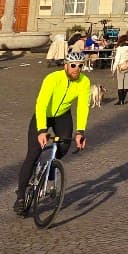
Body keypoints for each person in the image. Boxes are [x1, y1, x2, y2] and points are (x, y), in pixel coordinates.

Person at [13, 50, 90, 215]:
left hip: (62, 115)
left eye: (80, 66)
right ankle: (20, 196)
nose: (77, 69)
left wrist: (80, 131)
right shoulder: (52, 78)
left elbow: (83, 107)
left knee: (64, 146)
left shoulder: (84, 81)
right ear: (66, 66)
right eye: (73, 65)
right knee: (33, 153)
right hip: (44, 115)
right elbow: (41, 104)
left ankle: (49, 168)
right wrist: (41, 130)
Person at [112, 35, 128, 105]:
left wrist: (113, 68)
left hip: (120, 66)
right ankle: (123, 99)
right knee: (125, 82)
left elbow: (117, 59)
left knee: (120, 83)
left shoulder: (119, 48)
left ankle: (121, 100)